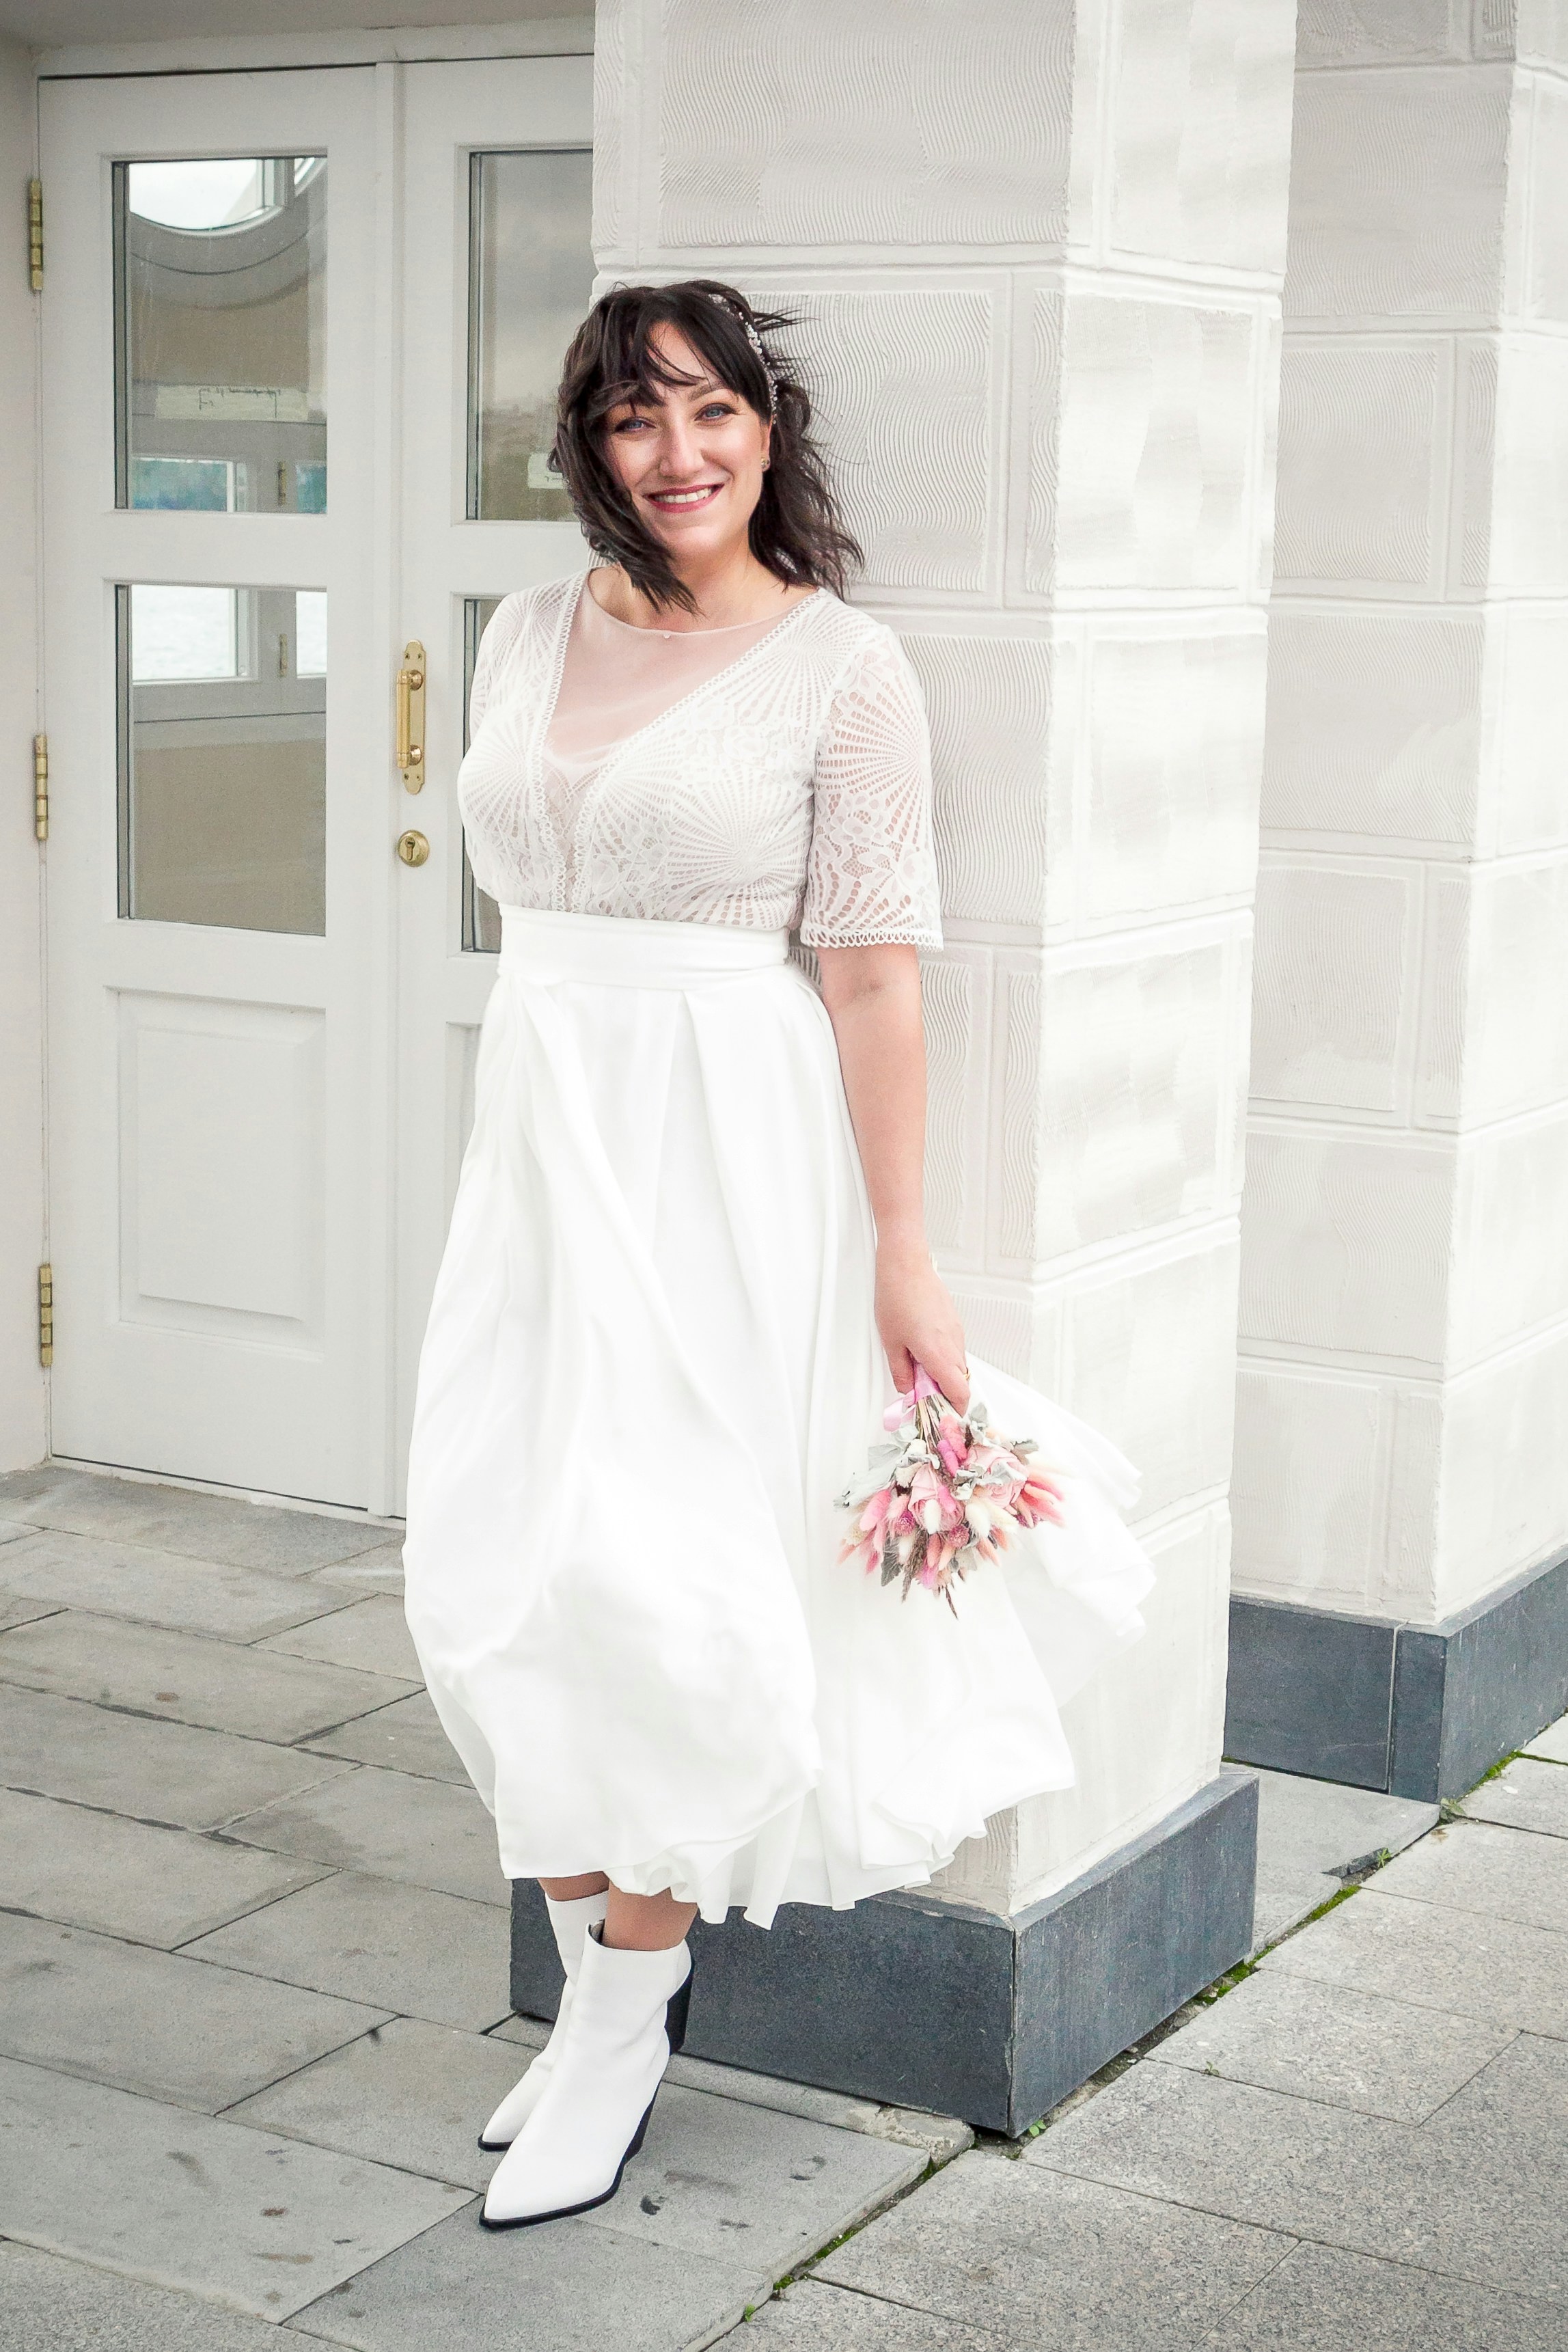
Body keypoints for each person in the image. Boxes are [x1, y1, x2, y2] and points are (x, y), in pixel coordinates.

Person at [402, 279, 1153, 2231]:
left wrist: (905, 1246)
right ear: (589, 441)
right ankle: (598, 1988)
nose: (681, 455)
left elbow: (878, 972)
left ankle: (627, 2007)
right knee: (496, 1563)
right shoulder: (519, 629)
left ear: (767, 428)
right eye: (639, 419)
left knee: (665, 1576)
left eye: (715, 412)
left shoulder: (843, 668)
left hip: (730, 1153)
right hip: (545, 1145)